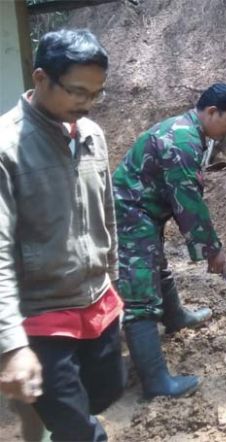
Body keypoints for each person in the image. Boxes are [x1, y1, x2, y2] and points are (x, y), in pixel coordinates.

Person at [0, 29, 124, 441]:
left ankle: (42, 419)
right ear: (40, 79)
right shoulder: (7, 147)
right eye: (76, 92)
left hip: (96, 300)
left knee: (105, 393)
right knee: (79, 429)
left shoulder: (92, 135)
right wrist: (12, 344)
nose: (87, 104)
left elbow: (106, 210)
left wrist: (114, 278)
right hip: (41, 313)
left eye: (96, 93)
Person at [112, 83, 226, 398]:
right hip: (130, 211)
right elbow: (188, 201)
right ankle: (157, 384)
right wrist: (213, 250)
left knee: (157, 263)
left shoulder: (187, 131)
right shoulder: (183, 141)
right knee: (141, 294)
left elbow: (183, 196)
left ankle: (175, 317)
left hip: (141, 208)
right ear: (212, 112)